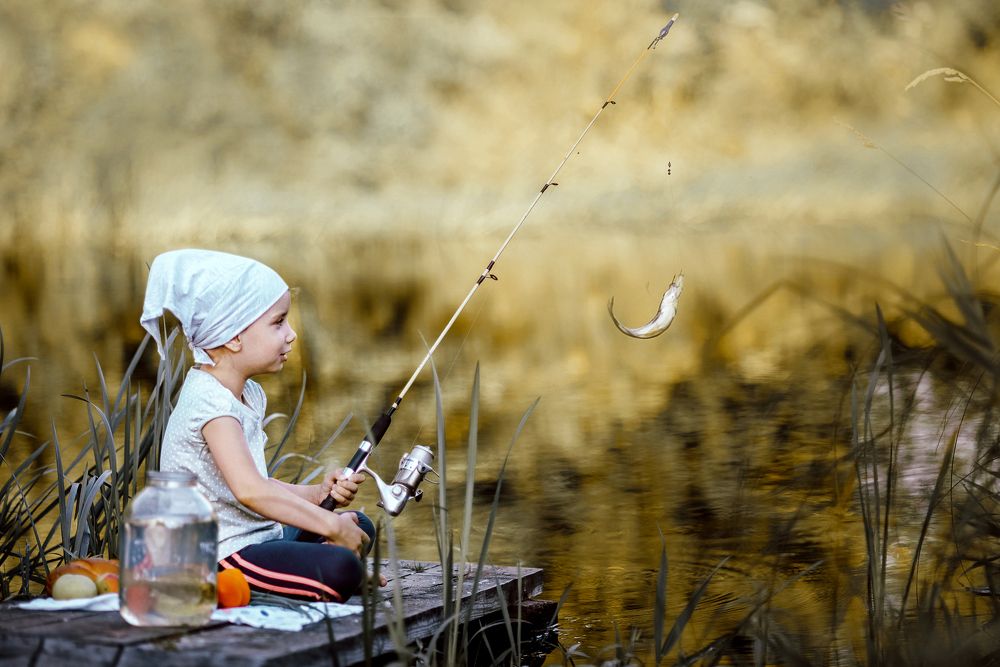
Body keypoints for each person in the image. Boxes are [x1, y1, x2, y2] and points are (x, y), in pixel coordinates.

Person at [141, 248, 375, 603]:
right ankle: (332, 571)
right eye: (278, 323)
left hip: (254, 537)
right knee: (342, 563)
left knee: (359, 524)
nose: (291, 334)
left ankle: (323, 568)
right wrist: (330, 526)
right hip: (217, 556)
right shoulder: (211, 405)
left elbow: (258, 482)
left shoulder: (246, 393)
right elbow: (250, 491)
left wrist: (317, 495)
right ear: (233, 336)